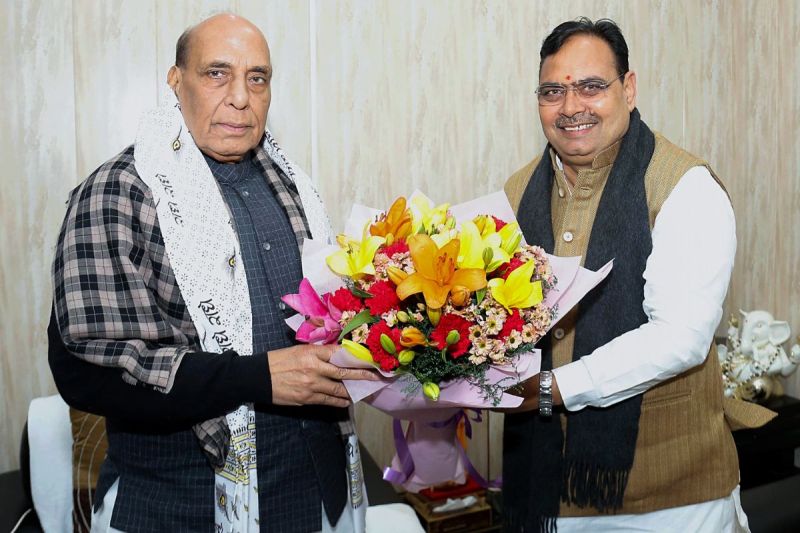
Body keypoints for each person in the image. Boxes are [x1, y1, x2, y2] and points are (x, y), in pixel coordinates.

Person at [49, 13, 377, 533]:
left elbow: (330, 321)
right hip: (176, 508)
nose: (241, 97)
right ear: (176, 81)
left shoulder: (293, 187)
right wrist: (258, 378)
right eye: (217, 73)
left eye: (257, 78)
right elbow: (88, 373)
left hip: (313, 497)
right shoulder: (118, 193)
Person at [501, 17, 773, 532]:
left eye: (591, 86)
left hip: (673, 498)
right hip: (546, 489)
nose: (571, 106)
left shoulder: (684, 187)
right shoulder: (518, 193)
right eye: (553, 91)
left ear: (628, 88)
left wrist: (549, 388)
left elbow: (679, 339)